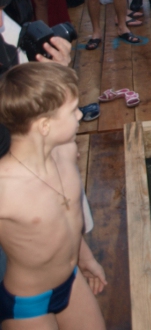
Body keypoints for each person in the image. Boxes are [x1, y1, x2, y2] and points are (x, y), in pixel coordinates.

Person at [0, 62, 106, 329]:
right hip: (29, 302)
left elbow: (64, 217)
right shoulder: (5, 187)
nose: (81, 115)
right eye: (72, 111)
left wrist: (86, 259)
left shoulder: (66, 152)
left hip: (70, 281)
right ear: (45, 125)